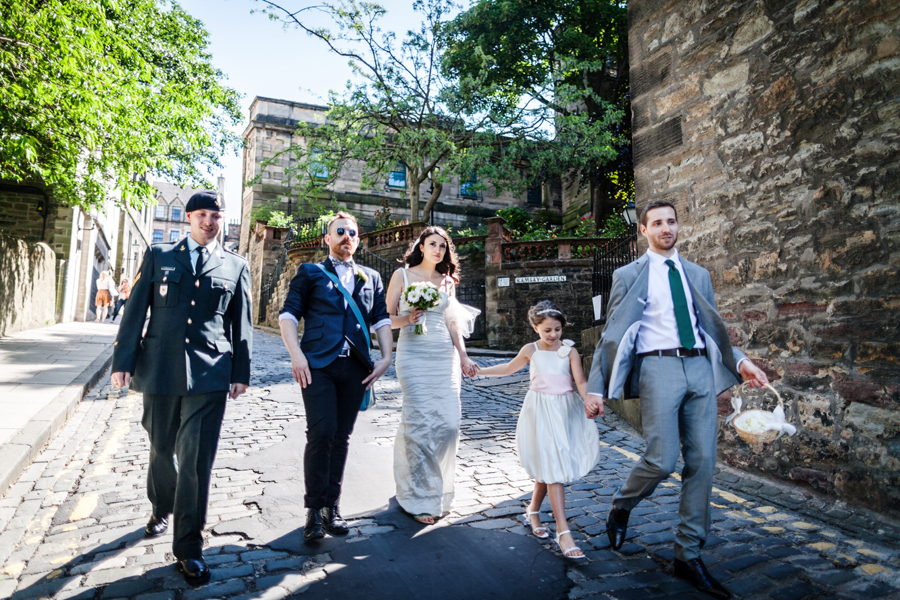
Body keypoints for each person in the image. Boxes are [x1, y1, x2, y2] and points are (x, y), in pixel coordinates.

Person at [585, 199, 768, 599]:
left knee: (702, 461)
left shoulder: (698, 275)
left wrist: (742, 364)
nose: (666, 228)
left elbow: (713, 330)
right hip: (658, 369)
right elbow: (611, 336)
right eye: (657, 223)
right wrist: (595, 388)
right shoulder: (628, 274)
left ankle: (688, 554)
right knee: (662, 459)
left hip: (700, 368)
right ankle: (623, 504)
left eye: (671, 222)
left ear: (678, 227)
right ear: (644, 230)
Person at [110, 191, 252, 586]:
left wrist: (241, 371)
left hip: (210, 373)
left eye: (216, 216)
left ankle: (189, 547)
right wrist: (123, 362)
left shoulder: (236, 265)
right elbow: (135, 310)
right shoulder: (159, 256)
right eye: (202, 215)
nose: (209, 222)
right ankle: (161, 506)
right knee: (160, 448)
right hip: (158, 368)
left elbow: (242, 325)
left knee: (195, 461)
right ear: (189, 218)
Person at [279, 211, 394, 544]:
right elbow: (288, 315)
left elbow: (381, 319)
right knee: (322, 433)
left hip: (356, 367)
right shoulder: (310, 272)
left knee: (341, 437)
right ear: (326, 239)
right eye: (340, 231)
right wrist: (296, 354)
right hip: (318, 364)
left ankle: (333, 507)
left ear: (358, 240)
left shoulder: (370, 276)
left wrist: (386, 357)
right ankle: (314, 511)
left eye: (352, 233)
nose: (347, 237)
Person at [473, 301, 600, 560]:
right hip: (540, 411)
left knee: (550, 463)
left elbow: (581, 381)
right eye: (547, 331)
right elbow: (508, 368)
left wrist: (589, 399)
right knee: (552, 466)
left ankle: (532, 510)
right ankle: (563, 532)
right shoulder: (531, 350)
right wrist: (479, 372)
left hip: (564, 411)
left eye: (557, 330)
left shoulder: (570, 351)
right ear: (535, 329)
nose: (553, 335)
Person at [385, 226, 480, 525]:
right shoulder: (401, 276)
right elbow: (386, 318)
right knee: (420, 424)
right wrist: (408, 317)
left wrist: (463, 356)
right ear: (421, 247)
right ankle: (419, 496)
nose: (438, 250)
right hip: (413, 356)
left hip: (444, 357)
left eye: (443, 245)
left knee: (449, 425)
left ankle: (436, 487)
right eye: (432, 244)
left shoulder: (447, 281)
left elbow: (453, 323)